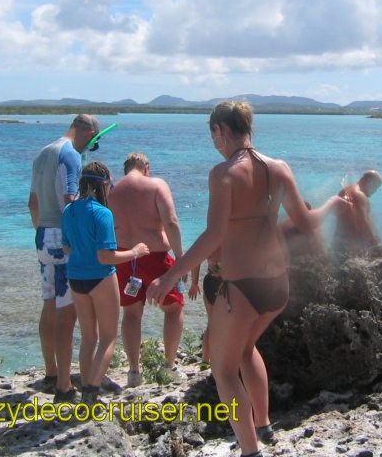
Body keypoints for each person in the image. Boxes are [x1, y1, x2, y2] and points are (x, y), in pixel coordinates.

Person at [146, 101, 348, 457]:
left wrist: (169, 276)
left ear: (221, 131)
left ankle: (251, 450)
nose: (215, 143)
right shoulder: (280, 168)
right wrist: (333, 201)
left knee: (223, 371)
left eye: (214, 136)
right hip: (277, 286)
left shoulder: (223, 173)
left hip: (239, 288)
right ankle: (264, 423)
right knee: (244, 349)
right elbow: (305, 222)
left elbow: (213, 235)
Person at [61, 161, 149, 405]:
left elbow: (66, 247)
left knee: (89, 337)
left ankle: (86, 387)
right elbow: (106, 257)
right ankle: (91, 390)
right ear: (103, 184)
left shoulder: (68, 211)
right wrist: (135, 252)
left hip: (76, 278)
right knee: (108, 337)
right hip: (100, 277)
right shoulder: (102, 213)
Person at [28, 113, 100, 401]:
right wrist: (81, 241)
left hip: (43, 234)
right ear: (87, 132)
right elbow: (72, 202)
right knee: (67, 313)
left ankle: (50, 371)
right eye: (93, 142)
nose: (91, 149)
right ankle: (64, 385)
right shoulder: (70, 156)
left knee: (49, 304)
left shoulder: (42, 153)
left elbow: (32, 203)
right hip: (63, 235)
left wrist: (42, 233)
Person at [107, 152, 185, 387]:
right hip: (156, 257)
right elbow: (171, 222)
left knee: (131, 314)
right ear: (146, 167)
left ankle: (133, 372)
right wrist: (181, 258)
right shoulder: (156, 184)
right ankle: (170, 366)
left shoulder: (112, 191)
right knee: (173, 308)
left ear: (126, 168)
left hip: (125, 258)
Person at [332, 170, 382, 258]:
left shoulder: (344, 190)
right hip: (352, 250)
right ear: (368, 182)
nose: (375, 191)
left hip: (337, 245)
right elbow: (364, 224)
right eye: (375, 187)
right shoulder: (360, 196)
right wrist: (375, 247)